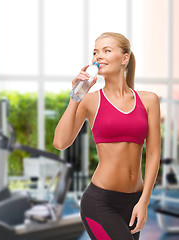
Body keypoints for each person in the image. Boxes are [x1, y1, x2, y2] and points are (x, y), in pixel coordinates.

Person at [53, 32, 161, 240]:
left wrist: (144, 201)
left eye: (106, 50)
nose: (98, 56)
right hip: (100, 203)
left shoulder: (149, 100)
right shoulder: (90, 101)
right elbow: (60, 142)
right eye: (95, 52)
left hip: (134, 202)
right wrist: (76, 96)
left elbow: (154, 154)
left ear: (124, 58)